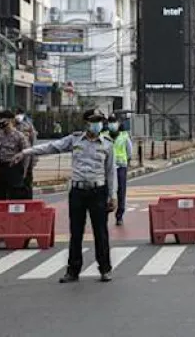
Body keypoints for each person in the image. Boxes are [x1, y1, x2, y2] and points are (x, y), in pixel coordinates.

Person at [12, 109, 117, 283]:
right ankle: (73, 271)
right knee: (76, 232)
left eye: (99, 121)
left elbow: (111, 172)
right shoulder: (74, 140)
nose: (97, 124)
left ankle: (105, 269)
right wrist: (26, 152)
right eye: (94, 121)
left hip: (98, 191)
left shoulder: (107, 144)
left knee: (101, 232)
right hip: (77, 191)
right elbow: (51, 147)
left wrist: (112, 196)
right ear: (86, 123)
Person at [102, 114, 132, 226]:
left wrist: (125, 162)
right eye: (110, 122)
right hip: (107, 168)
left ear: (118, 123)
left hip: (120, 167)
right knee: (105, 191)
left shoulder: (124, 136)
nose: (112, 124)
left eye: (114, 122)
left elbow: (129, 152)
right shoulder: (103, 136)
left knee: (121, 191)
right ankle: (104, 213)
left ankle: (119, 216)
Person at [0, 110, 30, 200]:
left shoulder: (19, 136)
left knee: (15, 196)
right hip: (2, 167)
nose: (0, 122)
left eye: (3, 119)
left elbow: (26, 154)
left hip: (14, 167)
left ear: (10, 121)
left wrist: (24, 171)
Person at [14, 107, 37, 199]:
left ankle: (27, 199)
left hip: (27, 156)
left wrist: (33, 158)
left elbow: (33, 141)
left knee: (27, 179)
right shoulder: (12, 124)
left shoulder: (28, 125)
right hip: (15, 156)